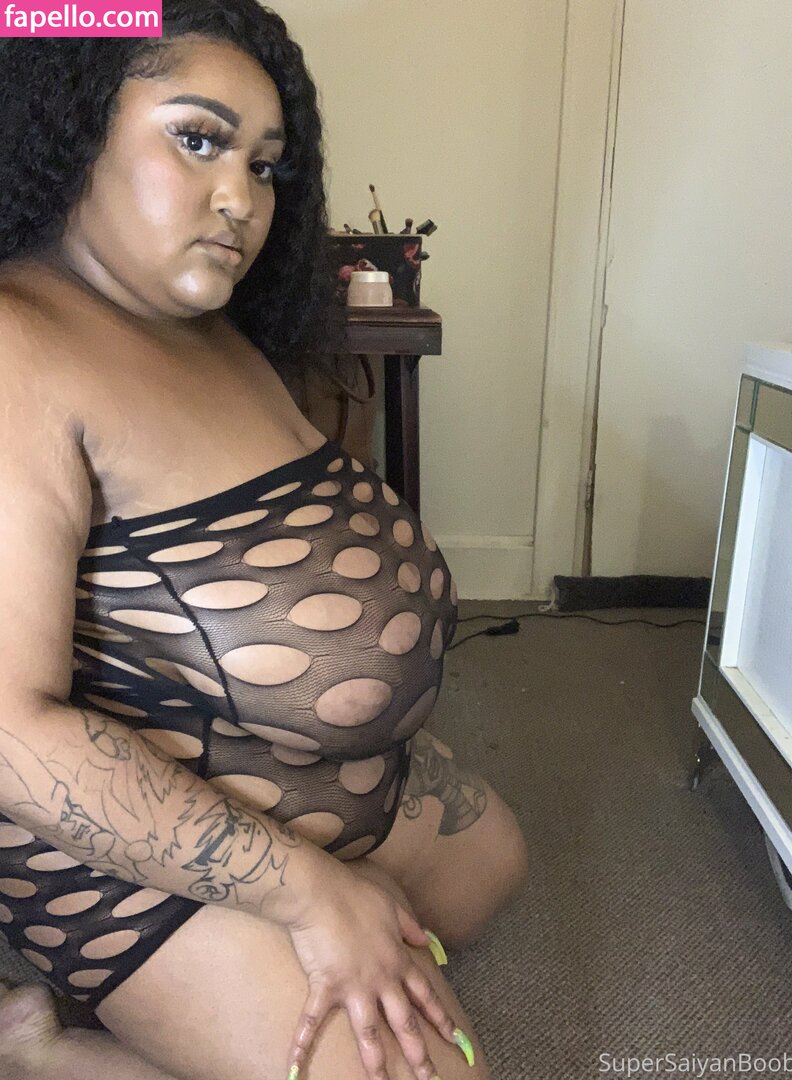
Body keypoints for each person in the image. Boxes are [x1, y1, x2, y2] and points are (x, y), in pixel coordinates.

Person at [0, 3, 529, 1078]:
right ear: (75, 127)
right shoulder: (20, 345)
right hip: (97, 844)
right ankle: (39, 1051)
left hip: (287, 770)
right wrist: (308, 891)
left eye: (265, 163)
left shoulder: (209, 329)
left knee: (492, 869)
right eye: (196, 138)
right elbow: (11, 731)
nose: (241, 198)